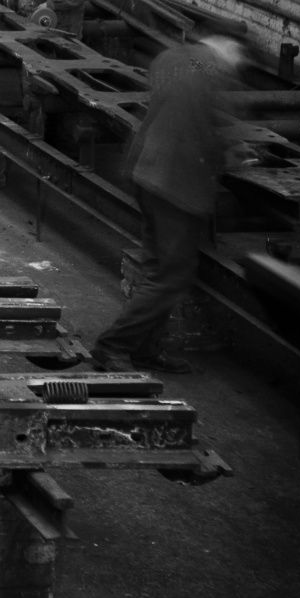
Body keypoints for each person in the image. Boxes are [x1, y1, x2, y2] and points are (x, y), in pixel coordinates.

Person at [92, 35, 252, 375]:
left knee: (157, 270)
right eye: (235, 60)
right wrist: (227, 151)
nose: (234, 69)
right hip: (174, 184)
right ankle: (113, 346)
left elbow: (187, 102)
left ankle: (146, 351)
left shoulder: (176, 59)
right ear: (225, 50)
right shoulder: (206, 70)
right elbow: (197, 122)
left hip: (147, 171)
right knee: (171, 278)